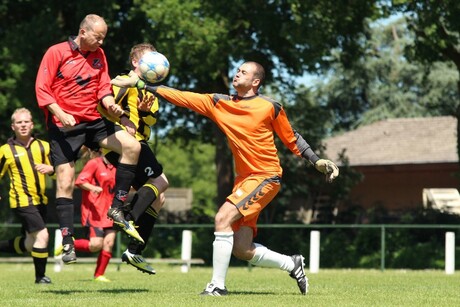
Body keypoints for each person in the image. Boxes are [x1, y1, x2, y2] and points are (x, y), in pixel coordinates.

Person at [111, 61, 339, 296]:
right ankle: (292, 264)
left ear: (255, 81)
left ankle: (217, 286)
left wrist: (316, 160)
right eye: (237, 70)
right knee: (242, 249)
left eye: (243, 72)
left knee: (222, 218)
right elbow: (181, 96)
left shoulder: (270, 106)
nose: (237, 73)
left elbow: (292, 137)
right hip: (244, 181)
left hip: (266, 176)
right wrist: (141, 84)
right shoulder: (219, 102)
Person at [35, 14, 143, 265]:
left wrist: (111, 105)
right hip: (63, 126)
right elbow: (42, 88)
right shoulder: (56, 52)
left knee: (132, 146)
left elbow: (103, 88)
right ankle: (68, 241)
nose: (101, 42)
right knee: (65, 181)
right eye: (98, 37)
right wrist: (61, 113)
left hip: (94, 121)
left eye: (104, 37)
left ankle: (117, 208)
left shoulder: (99, 55)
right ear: (83, 32)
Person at [99, 43, 169, 274]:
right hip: (128, 143)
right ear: (136, 63)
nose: (155, 65)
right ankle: (125, 216)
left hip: (141, 142)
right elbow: (102, 105)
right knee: (161, 182)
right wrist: (123, 118)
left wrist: (144, 111)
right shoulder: (121, 81)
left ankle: (134, 250)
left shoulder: (149, 90)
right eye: (150, 59)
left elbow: (150, 121)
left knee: (158, 199)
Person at [0, 108, 54, 284]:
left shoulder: (44, 146)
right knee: (43, 235)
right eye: (19, 122)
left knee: (31, 243)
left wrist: (51, 169)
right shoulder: (5, 150)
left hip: (41, 201)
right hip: (21, 201)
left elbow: (60, 172)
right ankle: (41, 278)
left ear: (32, 124)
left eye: (26, 122)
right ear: (13, 126)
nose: (23, 125)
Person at [73, 148, 117, 282]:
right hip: (94, 212)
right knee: (96, 245)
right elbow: (79, 181)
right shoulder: (94, 163)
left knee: (109, 243)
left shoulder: (118, 167)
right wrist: (93, 188)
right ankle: (70, 244)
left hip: (111, 212)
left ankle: (99, 275)